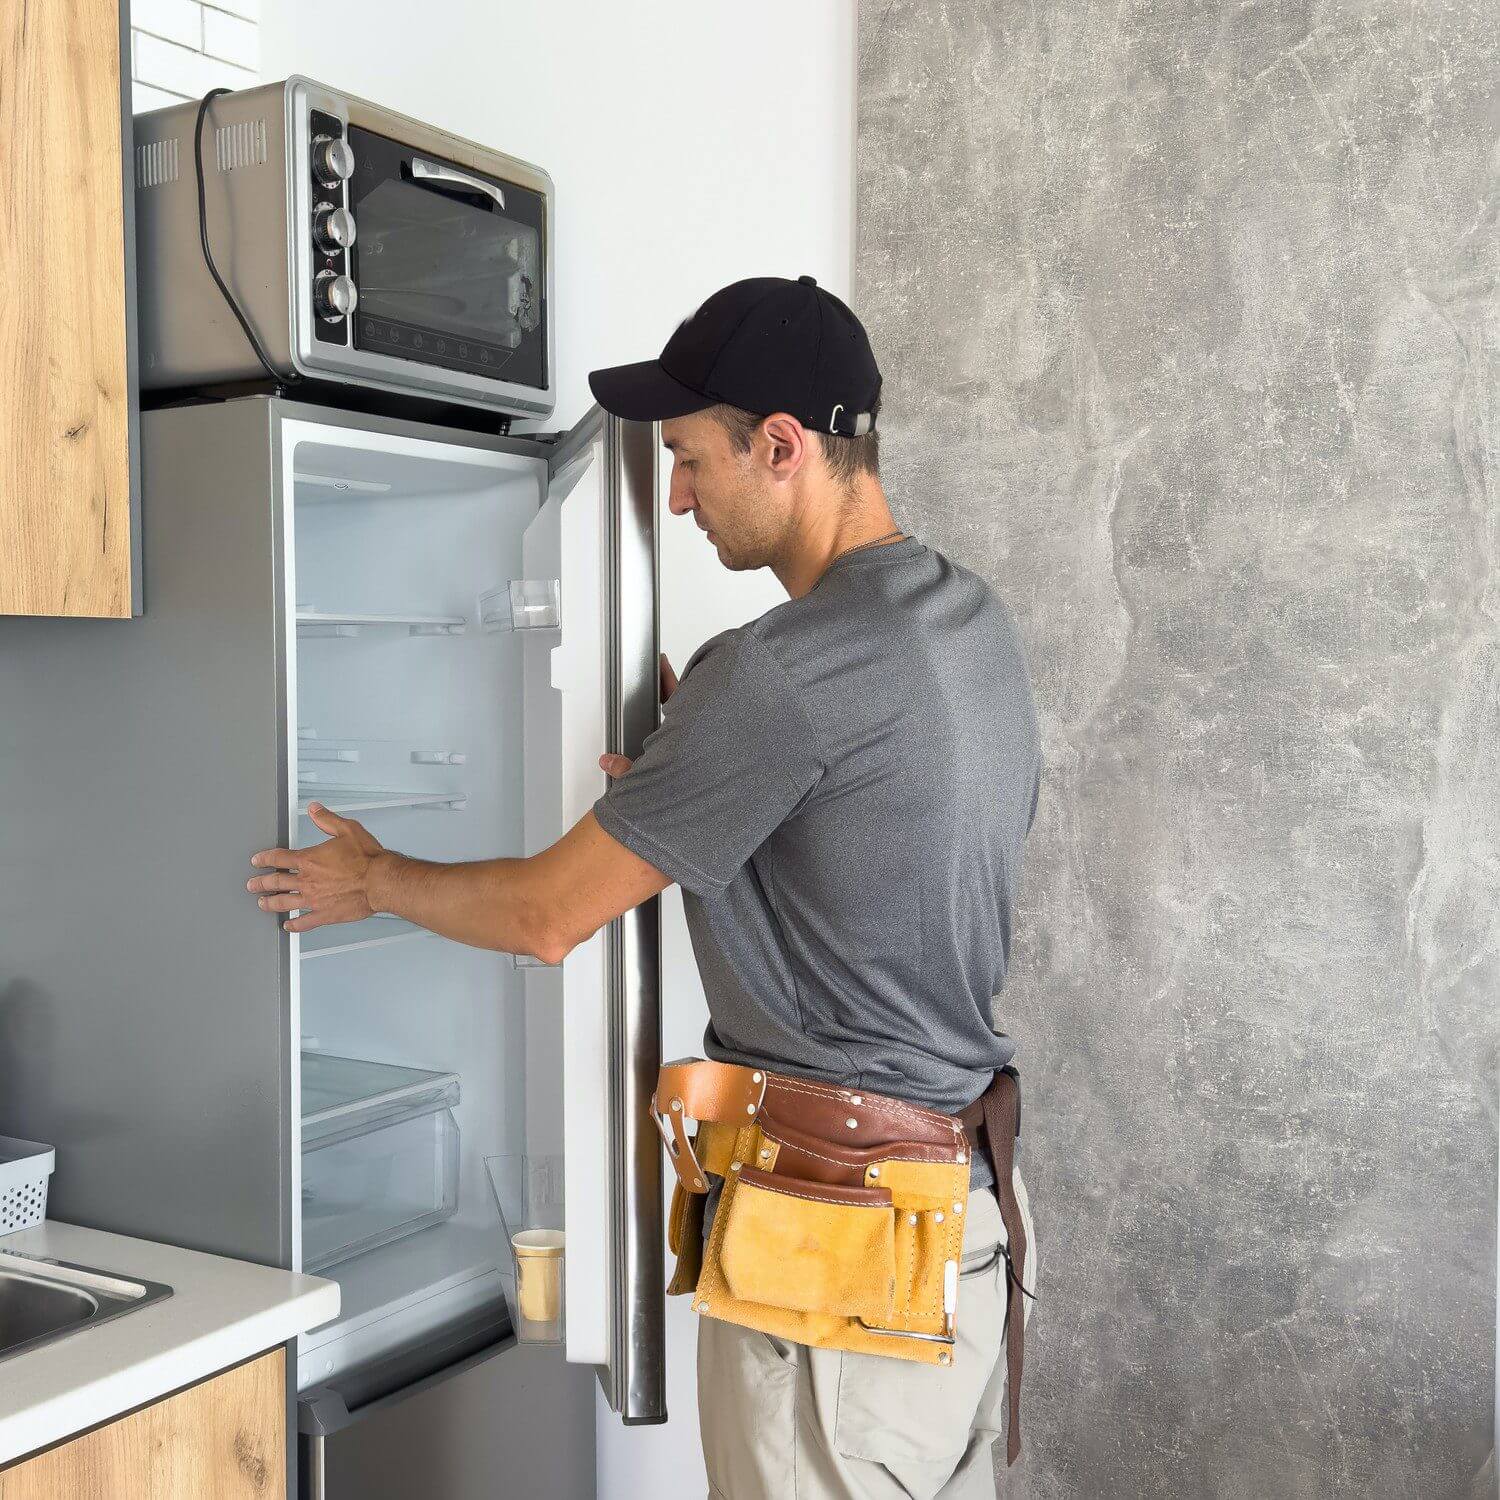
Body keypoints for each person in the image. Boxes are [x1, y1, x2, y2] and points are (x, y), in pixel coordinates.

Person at [246, 274, 1043, 1499]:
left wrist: (375, 877)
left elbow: (546, 917)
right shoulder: (966, 621)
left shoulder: (782, 676)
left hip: (835, 1270)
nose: (674, 496)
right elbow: (867, 844)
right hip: (955, 1233)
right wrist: (709, 761)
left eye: (688, 459)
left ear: (782, 446)